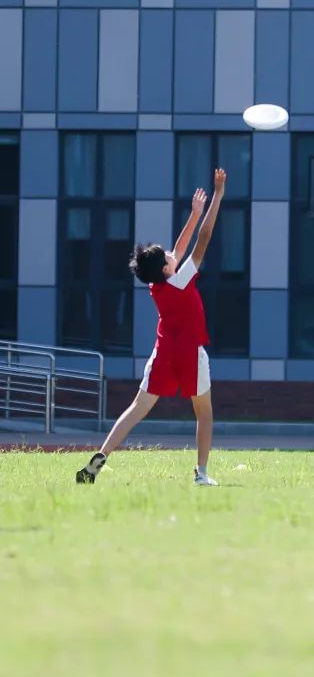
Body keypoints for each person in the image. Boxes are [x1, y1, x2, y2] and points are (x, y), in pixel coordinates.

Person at [76, 169, 227, 486]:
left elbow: (181, 247)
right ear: (166, 268)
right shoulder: (181, 282)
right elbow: (203, 239)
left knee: (135, 409)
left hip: (162, 353)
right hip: (188, 353)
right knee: (204, 412)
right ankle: (201, 474)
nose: (174, 254)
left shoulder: (159, 286)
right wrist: (218, 196)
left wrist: (193, 214)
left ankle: (96, 464)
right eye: (169, 256)